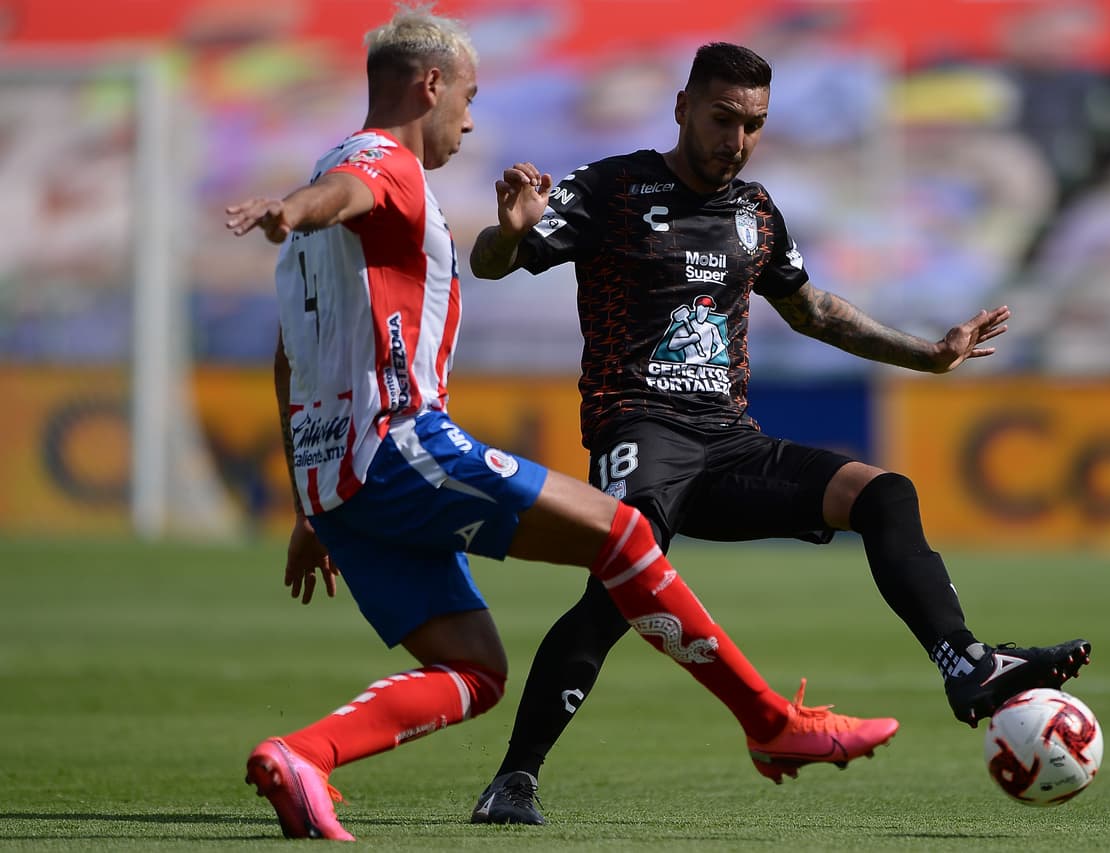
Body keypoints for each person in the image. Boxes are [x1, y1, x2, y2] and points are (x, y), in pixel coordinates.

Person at [224, 11, 899, 843]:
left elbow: (291, 357)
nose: (470, 120)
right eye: (467, 98)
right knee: (628, 537)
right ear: (431, 85)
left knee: (475, 668)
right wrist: (295, 209)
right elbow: (351, 191)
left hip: (335, 481)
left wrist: (305, 502)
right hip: (400, 445)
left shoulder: (328, 179)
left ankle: (302, 754)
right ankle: (769, 720)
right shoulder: (381, 167)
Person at [467, 41, 1091, 825]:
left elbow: (813, 310)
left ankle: (964, 660)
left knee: (883, 492)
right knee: (621, 589)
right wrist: (508, 231)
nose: (736, 139)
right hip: (642, 428)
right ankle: (514, 778)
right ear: (683, 108)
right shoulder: (614, 187)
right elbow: (496, 261)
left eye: (753, 124)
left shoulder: (755, 210)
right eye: (723, 118)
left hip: (729, 444)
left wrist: (928, 355)